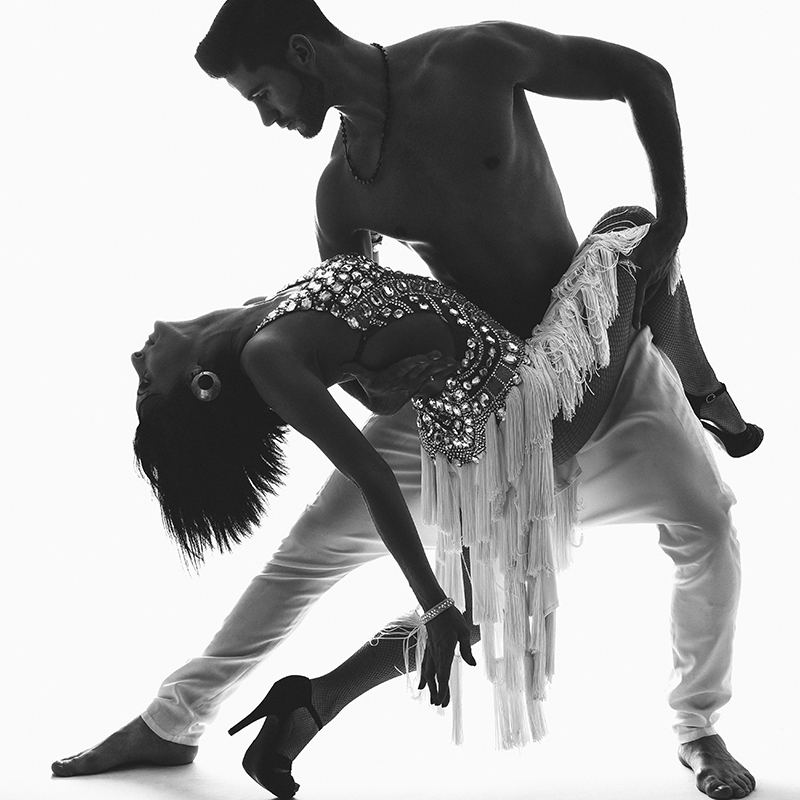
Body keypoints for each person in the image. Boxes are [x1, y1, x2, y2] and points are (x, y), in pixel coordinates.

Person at [52, 2, 759, 798]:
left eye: (262, 94)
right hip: (468, 402)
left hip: (595, 359)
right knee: (315, 549)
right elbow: (357, 335)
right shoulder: (340, 194)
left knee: (708, 526)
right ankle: (173, 720)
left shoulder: (474, 61)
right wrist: (380, 388)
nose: (267, 118)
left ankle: (698, 726)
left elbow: (641, 77)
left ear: (301, 51)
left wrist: (677, 222)